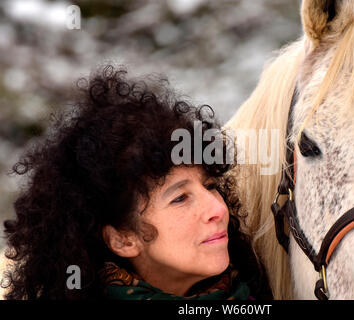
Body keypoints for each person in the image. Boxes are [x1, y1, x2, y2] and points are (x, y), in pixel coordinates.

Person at [1, 65, 272, 300]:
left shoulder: (260, 289)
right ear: (123, 240)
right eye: (180, 198)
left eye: (210, 186)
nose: (218, 209)